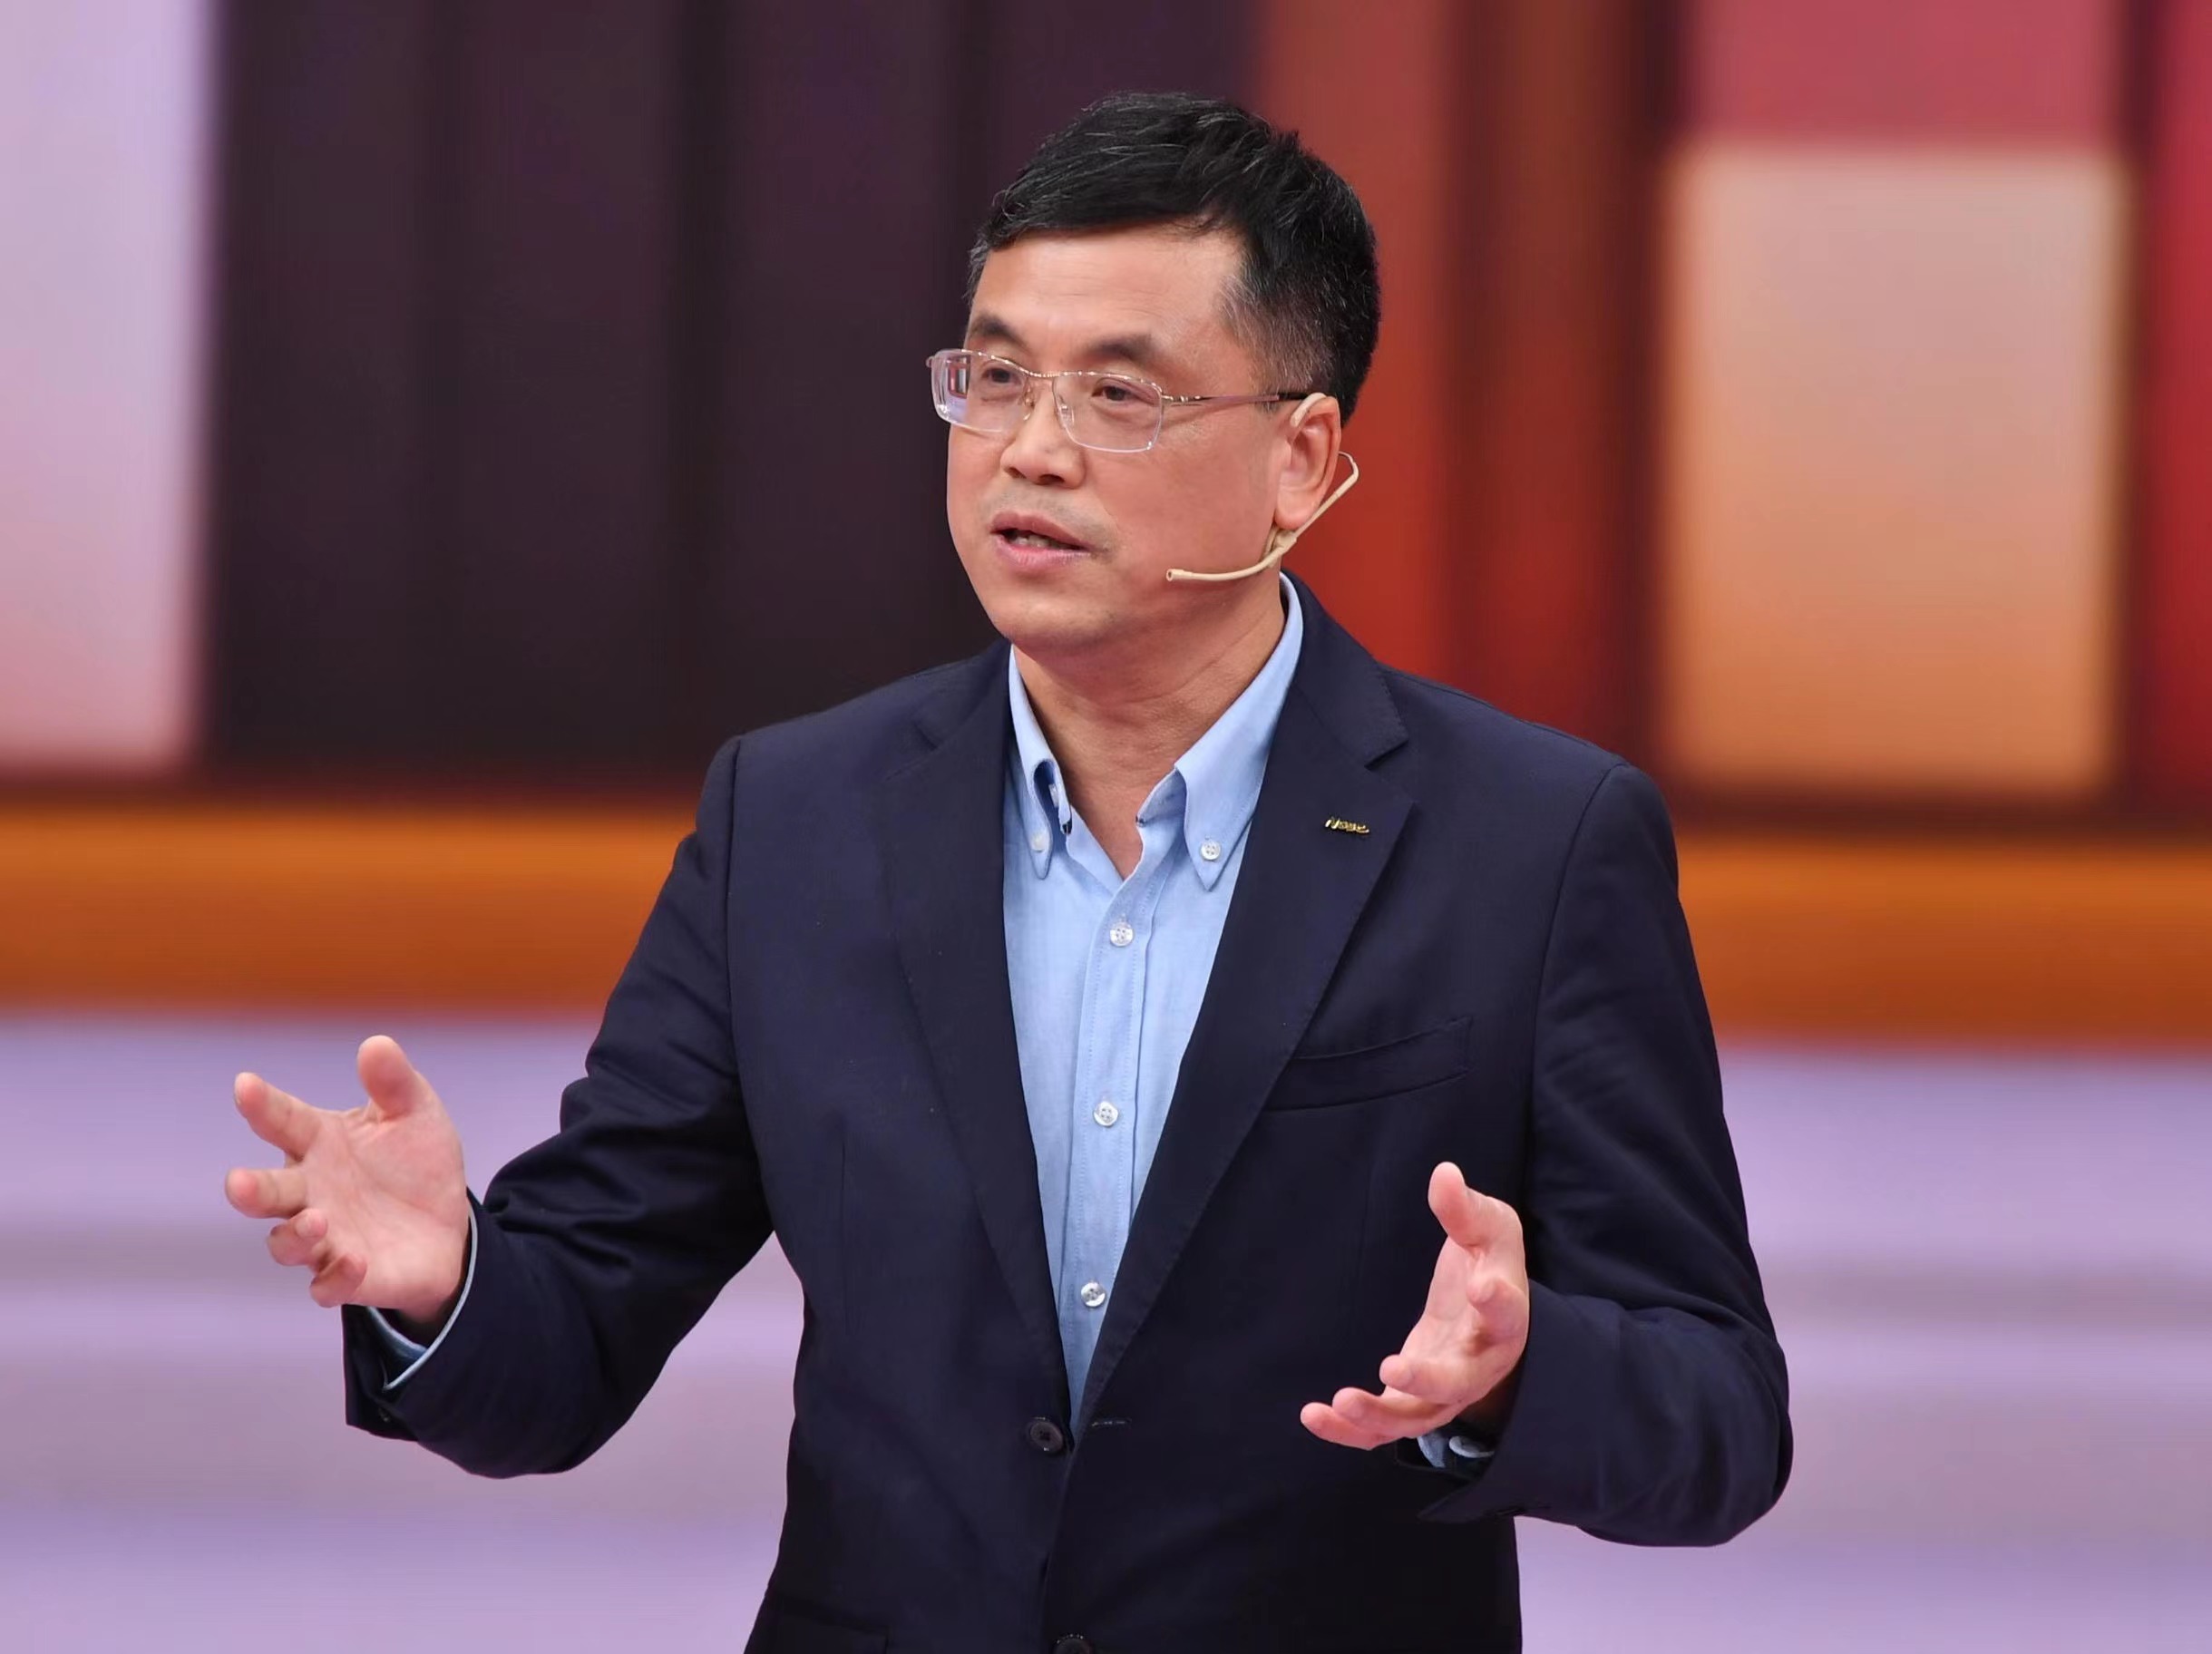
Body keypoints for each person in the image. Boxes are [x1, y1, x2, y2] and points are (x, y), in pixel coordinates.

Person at [224, 92, 1788, 1654]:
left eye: (1119, 395)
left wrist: (1518, 1375)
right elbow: (563, 1353)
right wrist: (449, 1280)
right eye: (994, 379)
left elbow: (1718, 1415)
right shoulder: (798, 819)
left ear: (1301, 460)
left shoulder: (1532, 841)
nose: (1031, 451)